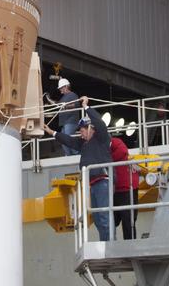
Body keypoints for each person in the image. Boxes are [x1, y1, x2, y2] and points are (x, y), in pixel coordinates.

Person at [53, 97, 113, 240]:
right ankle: (105, 244)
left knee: (104, 217)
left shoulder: (101, 138)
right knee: (98, 219)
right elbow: (69, 141)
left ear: (90, 129)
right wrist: (52, 132)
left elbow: (99, 122)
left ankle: (109, 245)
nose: (80, 133)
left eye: (82, 130)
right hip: (92, 183)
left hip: (103, 182)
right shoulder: (83, 143)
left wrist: (86, 107)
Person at [109, 134, 136, 239]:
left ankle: (130, 245)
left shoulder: (115, 142)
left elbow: (122, 151)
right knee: (113, 220)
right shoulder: (107, 145)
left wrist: (108, 159)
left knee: (128, 221)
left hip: (125, 188)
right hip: (116, 189)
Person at [54, 76, 81, 140]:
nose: (60, 90)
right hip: (64, 123)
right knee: (64, 142)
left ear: (66, 87)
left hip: (71, 122)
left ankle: (78, 150)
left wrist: (65, 106)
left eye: (61, 88)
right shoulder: (63, 98)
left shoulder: (73, 95)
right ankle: (76, 150)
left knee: (68, 141)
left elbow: (76, 104)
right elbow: (58, 105)